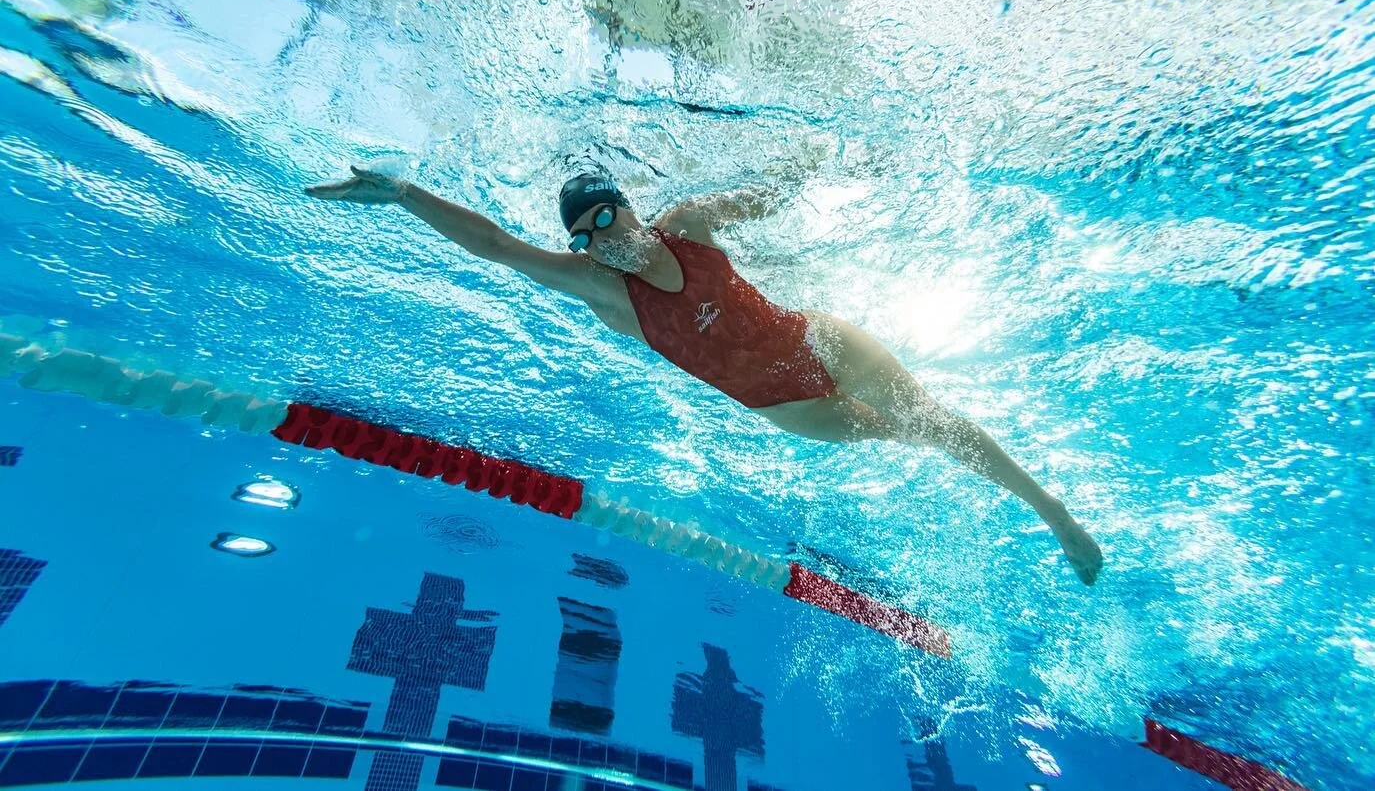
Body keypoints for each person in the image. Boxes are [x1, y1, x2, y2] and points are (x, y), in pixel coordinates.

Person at [306, 147, 1103, 585]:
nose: (601, 239)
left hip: (819, 342)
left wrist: (823, 158)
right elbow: (496, 247)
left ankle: (1056, 516)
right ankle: (1017, 516)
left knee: (930, 418)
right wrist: (403, 193)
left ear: (630, 207)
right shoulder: (601, 292)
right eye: (586, 234)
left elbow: (771, 192)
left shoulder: (688, 225)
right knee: (914, 440)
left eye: (607, 217)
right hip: (789, 411)